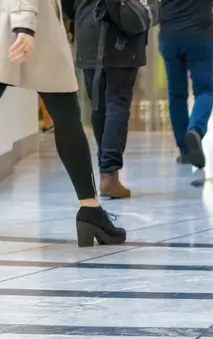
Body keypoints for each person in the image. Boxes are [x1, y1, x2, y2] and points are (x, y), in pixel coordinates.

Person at [0, 0, 126, 246]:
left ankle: (92, 210)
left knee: (67, 115)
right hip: (25, 26)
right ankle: (91, 211)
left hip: (29, 22)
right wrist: (24, 26)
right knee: (67, 116)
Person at [66, 0, 145, 199]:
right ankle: (109, 173)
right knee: (117, 102)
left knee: (99, 105)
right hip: (122, 30)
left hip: (87, 29)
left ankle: (106, 172)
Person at [159, 0, 213, 168]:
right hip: (200, 36)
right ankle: (196, 130)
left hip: (169, 35)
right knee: (204, 90)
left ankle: (185, 151)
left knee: (176, 95)